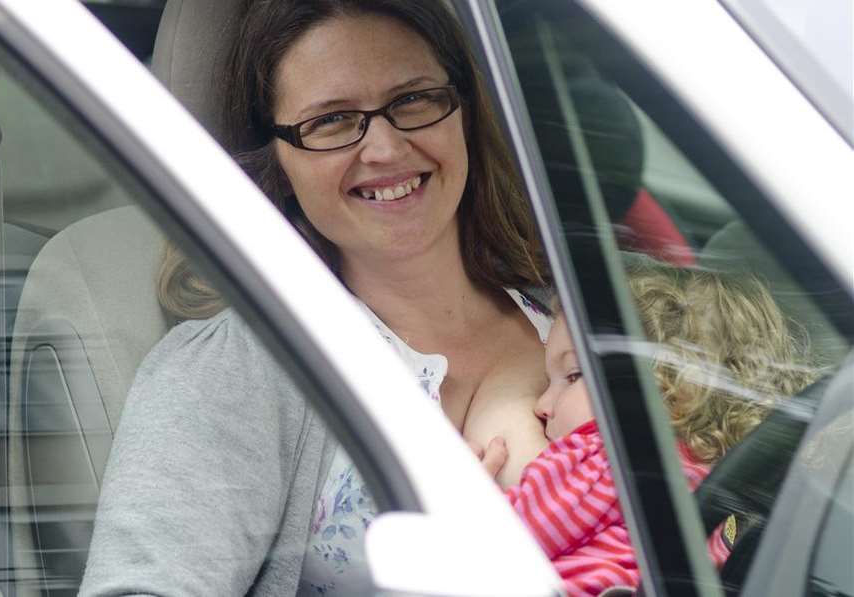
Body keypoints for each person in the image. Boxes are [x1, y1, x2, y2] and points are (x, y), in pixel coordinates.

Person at [81, 1, 552, 595]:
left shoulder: (598, 306)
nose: (384, 148)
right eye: (330, 121)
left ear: (462, 108)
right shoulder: (234, 372)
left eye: (412, 100)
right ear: (275, 160)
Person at [476, 264, 816, 597]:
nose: (542, 405)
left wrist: (470, 496)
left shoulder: (608, 459)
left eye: (573, 375)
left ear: (661, 386)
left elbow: (507, 540)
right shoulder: (721, 485)